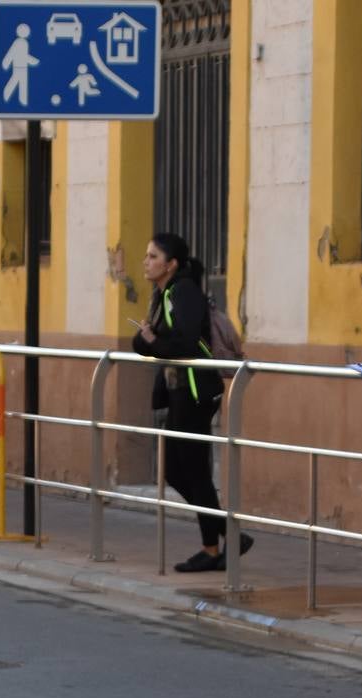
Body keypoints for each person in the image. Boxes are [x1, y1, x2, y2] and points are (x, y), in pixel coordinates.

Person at [130, 231, 248, 572]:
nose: (146, 262)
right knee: (180, 472)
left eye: (153, 256)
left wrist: (152, 340)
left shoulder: (183, 292)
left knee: (191, 472)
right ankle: (224, 538)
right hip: (181, 391)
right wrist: (147, 339)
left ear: (171, 264)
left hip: (196, 391)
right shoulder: (163, 293)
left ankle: (215, 546)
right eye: (147, 255)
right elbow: (147, 345)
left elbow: (183, 345)